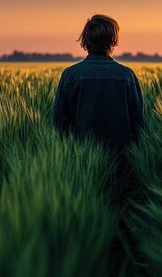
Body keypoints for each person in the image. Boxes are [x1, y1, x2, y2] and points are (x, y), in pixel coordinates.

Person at [52, 14, 144, 200]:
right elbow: (139, 126)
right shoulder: (127, 76)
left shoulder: (70, 75)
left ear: (85, 41)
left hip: (81, 166)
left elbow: (60, 125)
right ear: (114, 41)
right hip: (121, 167)